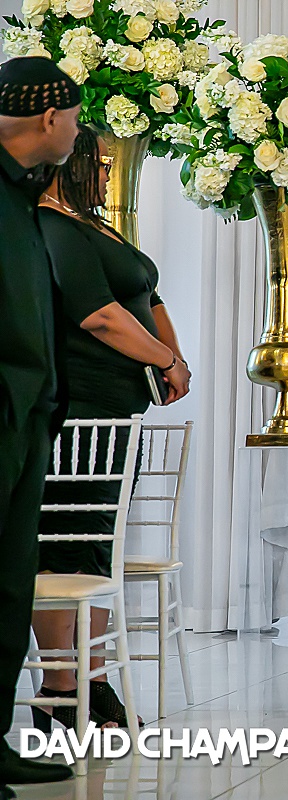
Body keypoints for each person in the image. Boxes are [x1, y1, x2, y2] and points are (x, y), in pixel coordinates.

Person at [29, 125, 190, 731]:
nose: (106, 173)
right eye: (97, 163)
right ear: (68, 165)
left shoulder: (96, 226)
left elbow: (149, 295)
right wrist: (164, 358)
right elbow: (98, 315)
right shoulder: (53, 227)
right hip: (79, 413)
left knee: (98, 542)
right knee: (63, 542)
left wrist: (174, 358)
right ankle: (59, 684)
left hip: (118, 412)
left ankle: (93, 679)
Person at [0, 56, 81, 786]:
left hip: (27, 418)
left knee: (8, 586)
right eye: (76, 121)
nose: (78, 134)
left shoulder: (25, 193)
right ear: (51, 117)